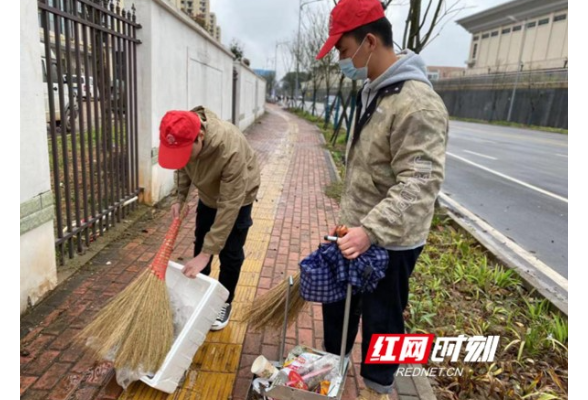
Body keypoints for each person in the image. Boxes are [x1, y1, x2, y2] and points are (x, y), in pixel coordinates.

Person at [316, 0, 449, 398]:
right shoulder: (377, 90)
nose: (341, 59)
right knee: (339, 305)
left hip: (391, 240)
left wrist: (369, 231)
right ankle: (332, 369)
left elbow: (420, 184)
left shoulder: (417, 105)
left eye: (342, 50)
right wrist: (352, 222)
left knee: (382, 316)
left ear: (369, 42)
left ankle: (378, 385)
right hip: (357, 228)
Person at [158, 106, 261, 331]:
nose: (183, 157)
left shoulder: (229, 148)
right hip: (208, 195)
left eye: (186, 151)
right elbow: (182, 167)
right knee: (201, 240)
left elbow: (229, 206)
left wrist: (207, 254)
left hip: (239, 198)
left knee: (231, 253)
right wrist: (179, 198)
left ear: (201, 137)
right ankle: (199, 294)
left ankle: (222, 301)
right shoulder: (184, 133)